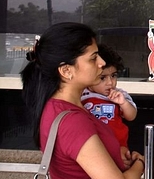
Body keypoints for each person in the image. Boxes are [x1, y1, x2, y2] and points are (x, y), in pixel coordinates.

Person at [20, 22, 145, 179]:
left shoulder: (54, 107)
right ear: (66, 70)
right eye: (93, 58)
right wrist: (140, 163)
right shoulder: (72, 121)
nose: (102, 62)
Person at [82, 43, 137, 159]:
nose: (110, 82)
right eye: (103, 78)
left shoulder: (119, 94)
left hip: (118, 147)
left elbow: (131, 116)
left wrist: (123, 103)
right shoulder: (82, 95)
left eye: (113, 76)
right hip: (92, 148)